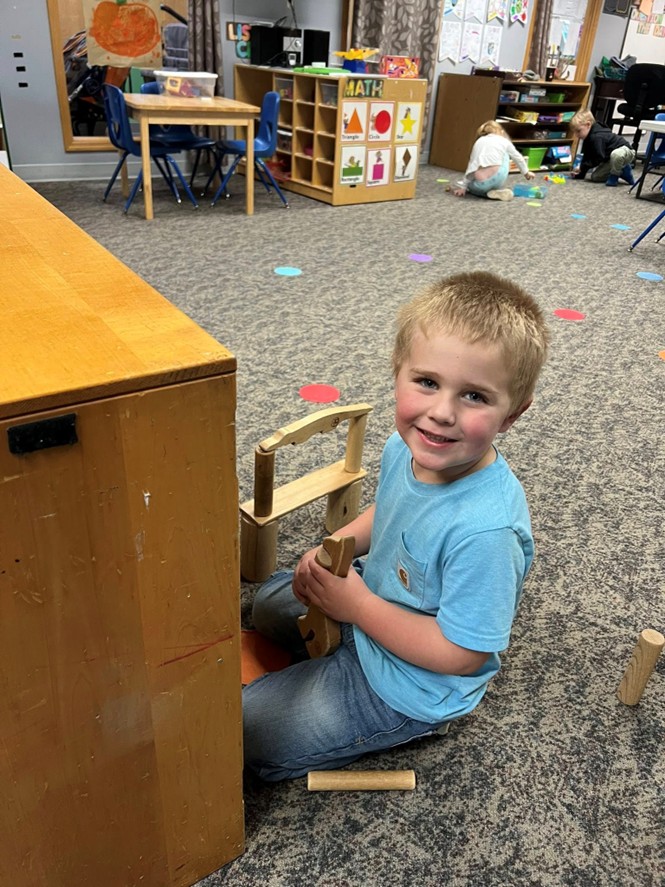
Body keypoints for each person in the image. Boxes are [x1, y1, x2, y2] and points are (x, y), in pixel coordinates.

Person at [243, 271, 550, 782]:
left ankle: (360, 693)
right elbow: (389, 510)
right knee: (268, 606)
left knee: (244, 733)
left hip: (407, 683)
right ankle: (332, 631)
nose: (441, 413)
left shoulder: (487, 534)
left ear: (512, 415)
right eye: (427, 383)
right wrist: (337, 546)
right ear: (397, 373)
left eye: (475, 396)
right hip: (374, 604)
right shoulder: (404, 445)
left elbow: (465, 655)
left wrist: (357, 607)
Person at [453, 120, 535, 201]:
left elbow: (472, 166)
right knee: (506, 152)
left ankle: (485, 193)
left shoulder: (479, 141)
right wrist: (526, 172)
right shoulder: (504, 141)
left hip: (482, 184)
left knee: (472, 185)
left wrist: (463, 187)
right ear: (501, 132)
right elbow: (518, 157)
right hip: (498, 178)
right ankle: (493, 191)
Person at [570, 108, 636, 186]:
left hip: (625, 151)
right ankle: (620, 170)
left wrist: (583, 166)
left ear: (588, 125)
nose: (576, 135)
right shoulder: (588, 138)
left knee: (616, 154)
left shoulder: (597, 137)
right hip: (610, 158)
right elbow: (587, 156)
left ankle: (620, 170)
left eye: (578, 131)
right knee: (596, 177)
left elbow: (599, 157)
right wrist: (581, 172)